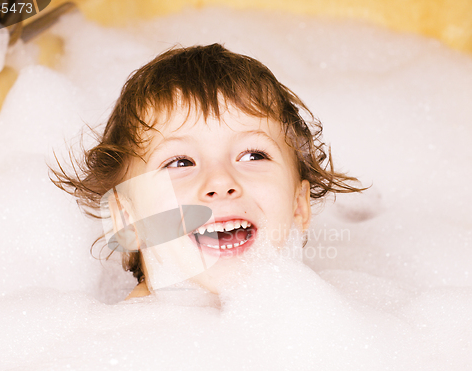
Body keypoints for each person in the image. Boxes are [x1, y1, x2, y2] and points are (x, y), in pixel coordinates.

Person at [51, 43, 363, 300]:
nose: (221, 181)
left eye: (253, 155)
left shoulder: (325, 320)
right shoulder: (120, 345)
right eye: (181, 163)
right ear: (128, 221)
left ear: (299, 207)